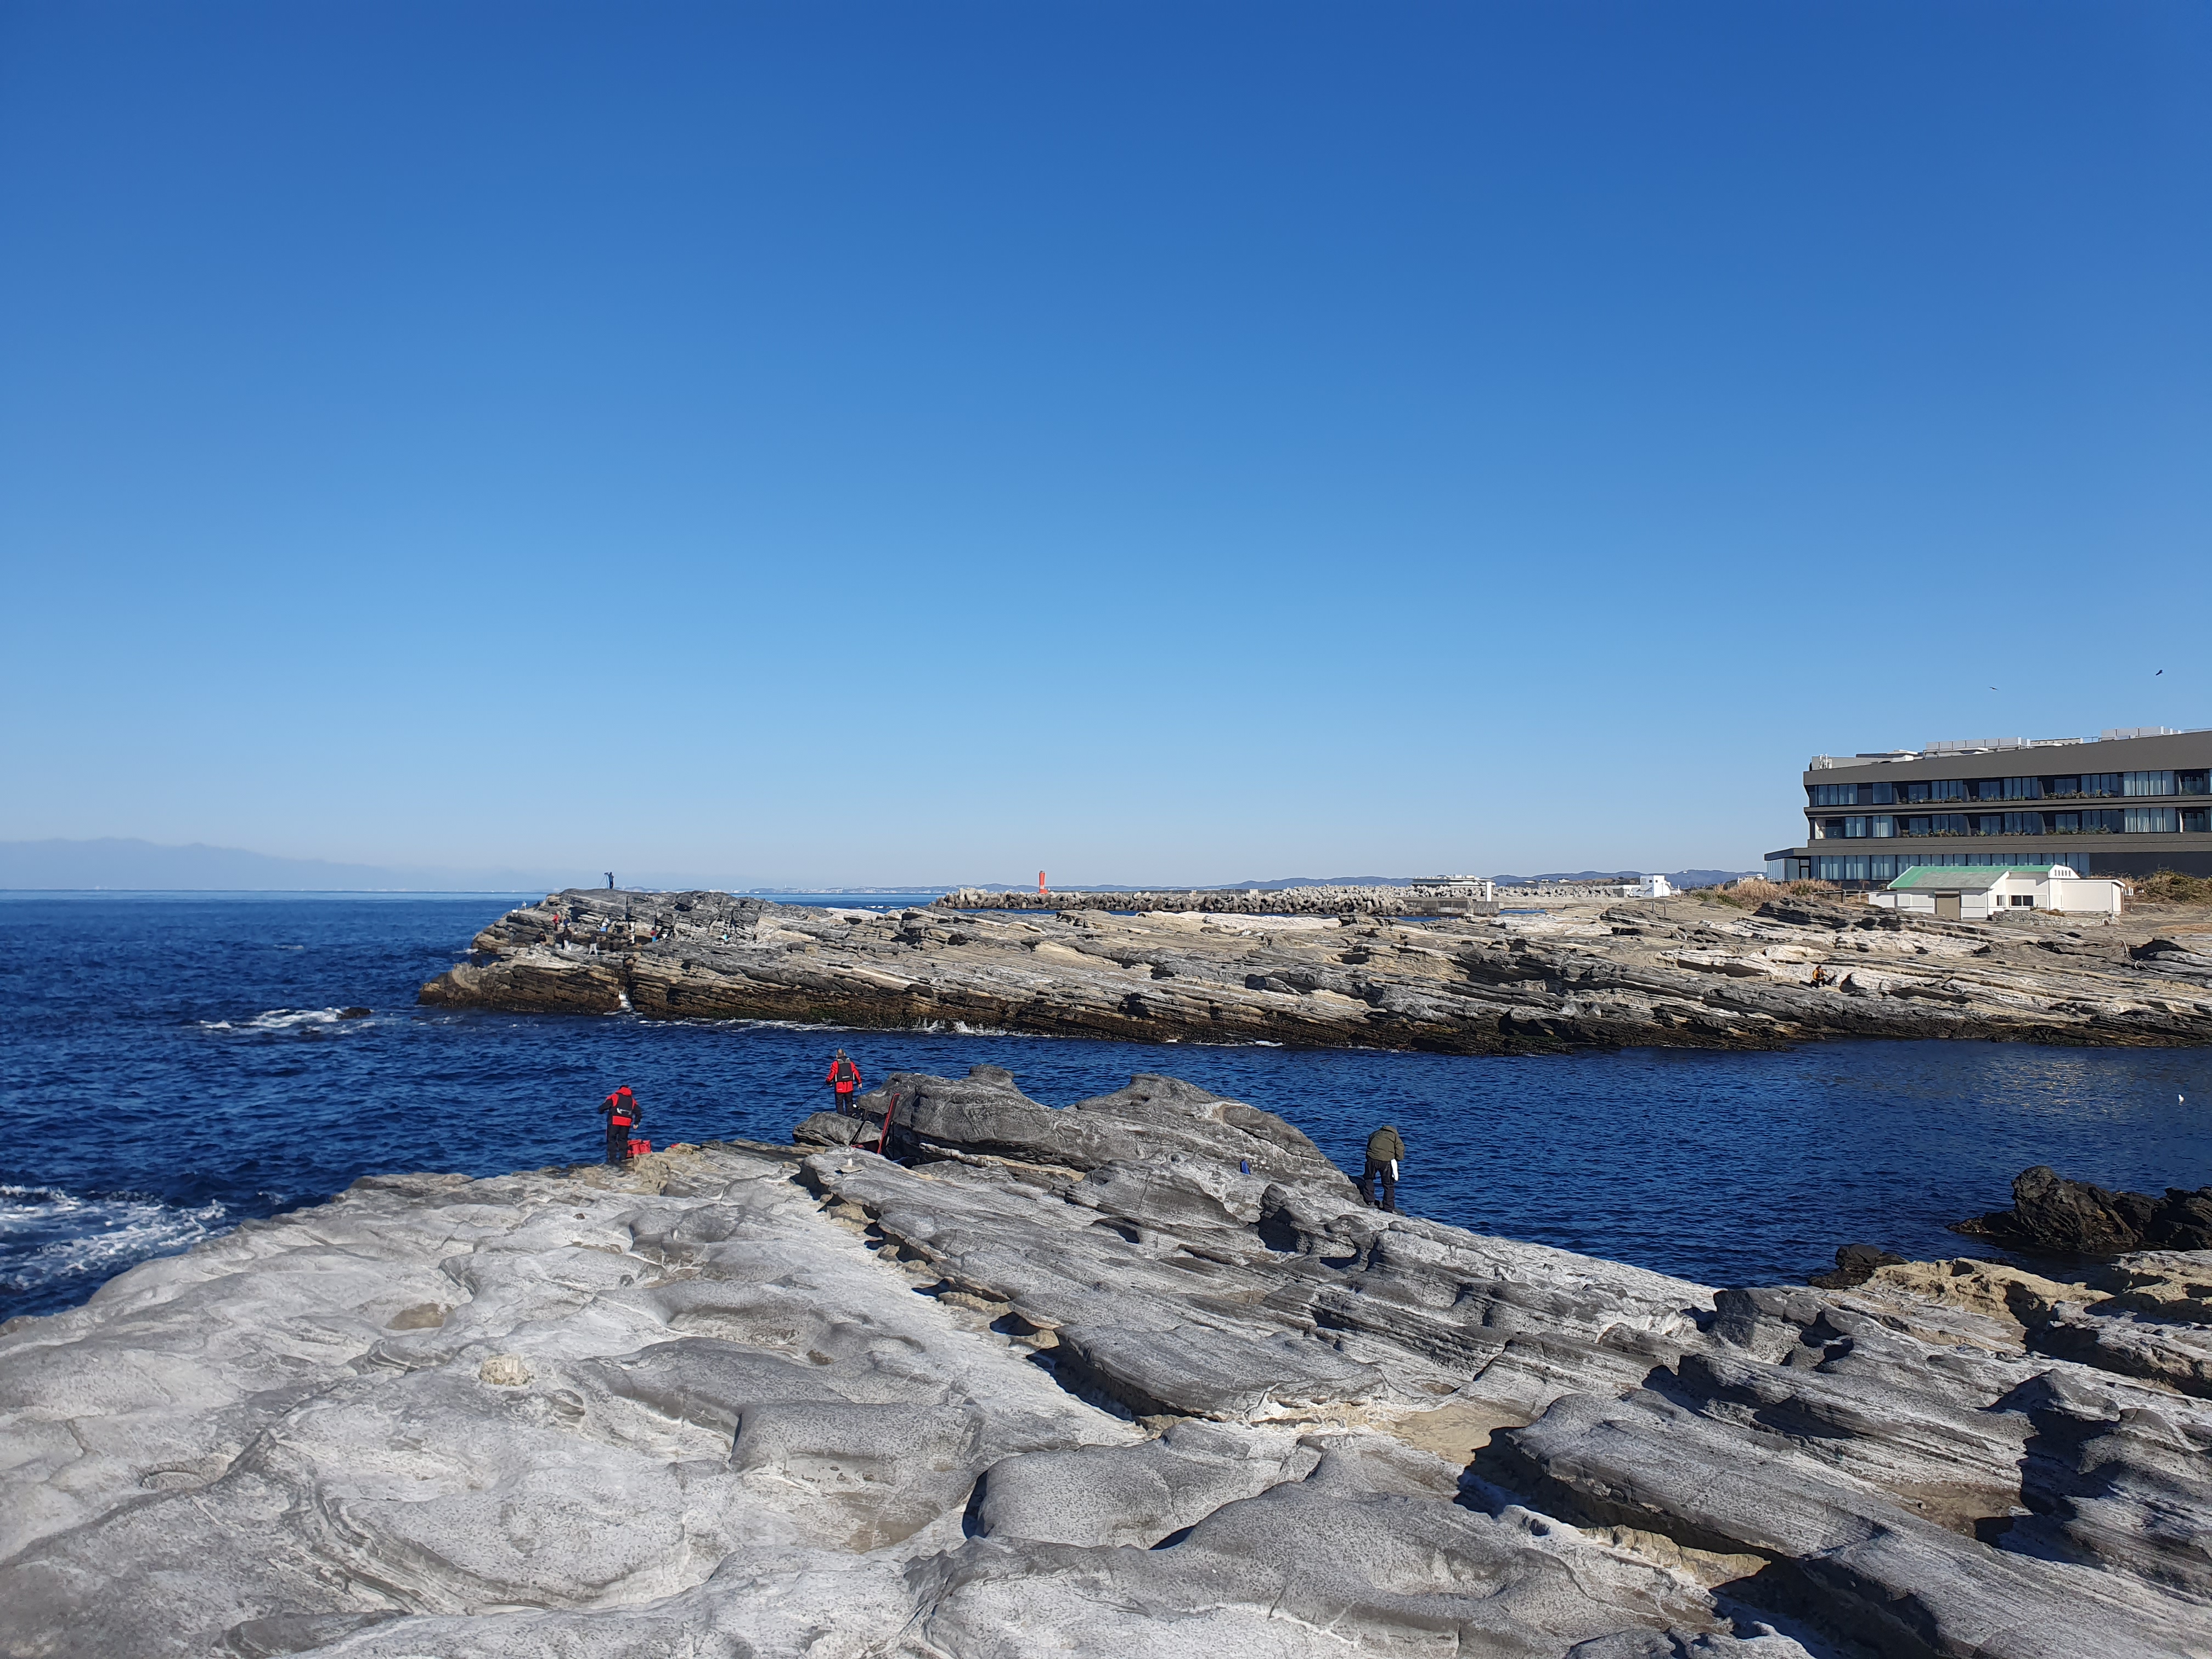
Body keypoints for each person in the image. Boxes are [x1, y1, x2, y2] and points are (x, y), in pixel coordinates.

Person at [1363, 1124, 1404, 1212]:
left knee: (1369, 1178)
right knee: (1388, 1185)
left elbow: (1369, 1144)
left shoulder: (1376, 1133)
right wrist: (1397, 1159)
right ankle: (1388, 1208)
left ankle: (1369, 1201)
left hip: (1372, 1159)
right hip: (1387, 1161)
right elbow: (1400, 1151)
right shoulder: (1395, 1137)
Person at [601, 1086, 640, 1165]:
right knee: (623, 1140)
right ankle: (623, 1159)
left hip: (615, 1121)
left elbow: (604, 1107)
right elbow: (639, 1113)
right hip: (626, 1123)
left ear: (620, 1090)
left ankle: (612, 1160)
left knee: (612, 1140)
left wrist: (600, 1110)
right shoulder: (632, 1100)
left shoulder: (615, 1096)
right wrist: (636, 1123)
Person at [826, 1049, 864, 1114]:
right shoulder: (851, 1063)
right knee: (849, 1102)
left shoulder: (835, 1064)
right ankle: (850, 1115)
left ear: (837, 1056)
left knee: (839, 1103)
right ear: (845, 1054)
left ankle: (841, 1116)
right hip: (849, 1087)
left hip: (839, 1087)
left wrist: (828, 1081)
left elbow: (832, 1074)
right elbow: (856, 1073)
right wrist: (859, 1083)